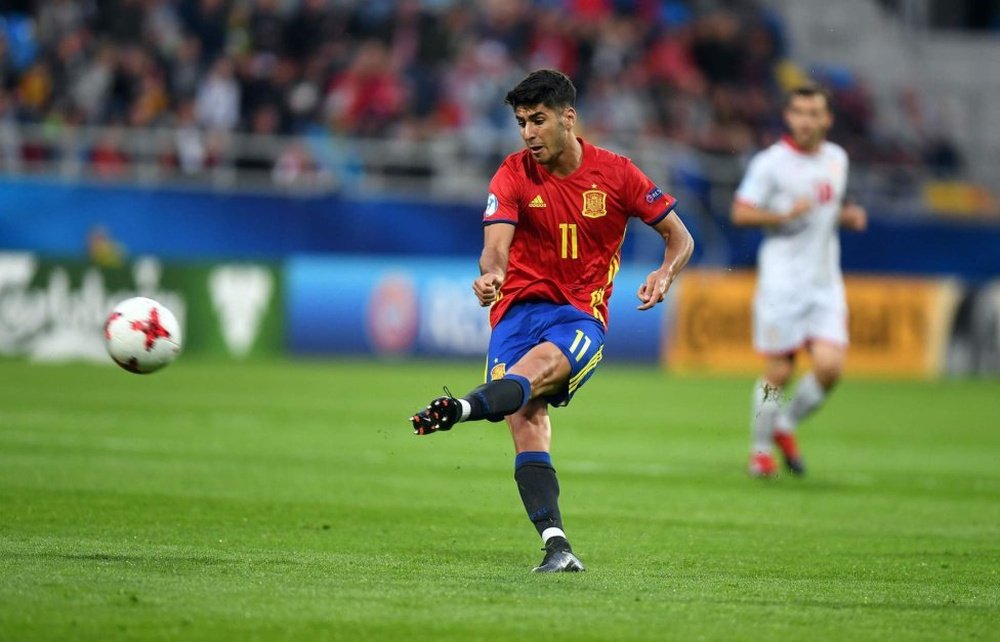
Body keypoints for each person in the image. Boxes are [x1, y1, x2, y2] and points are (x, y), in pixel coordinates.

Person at [409, 69, 694, 573]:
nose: (528, 133)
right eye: (521, 122)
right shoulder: (512, 174)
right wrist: (491, 277)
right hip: (515, 311)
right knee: (525, 419)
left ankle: (459, 409)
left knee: (534, 373)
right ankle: (556, 544)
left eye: (537, 120)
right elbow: (494, 249)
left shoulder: (618, 174)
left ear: (568, 118)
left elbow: (680, 236)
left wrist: (665, 271)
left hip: (579, 316)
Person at [731, 84, 867, 478]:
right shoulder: (770, 163)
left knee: (830, 368)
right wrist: (782, 215)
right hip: (782, 282)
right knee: (779, 371)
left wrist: (848, 216)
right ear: (788, 117)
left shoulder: (837, 158)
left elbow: (826, 205)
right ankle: (759, 450)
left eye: (814, 113)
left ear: (827, 120)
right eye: (799, 112)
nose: (806, 120)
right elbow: (740, 212)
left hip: (825, 282)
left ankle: (784, 425)